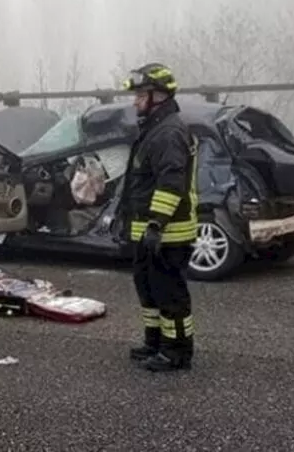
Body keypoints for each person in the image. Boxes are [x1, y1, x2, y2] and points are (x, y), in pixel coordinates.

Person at [120, 63, 199, 372]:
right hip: (148, 231)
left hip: (169, 232)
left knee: (170, 294)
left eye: (141, 95)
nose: (136, 102)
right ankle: (155, 343)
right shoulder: (154, 129)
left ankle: (177, 353)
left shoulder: (168, 133)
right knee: (148, 288)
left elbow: (171, 183)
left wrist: (156, 225)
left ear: (159, 96)